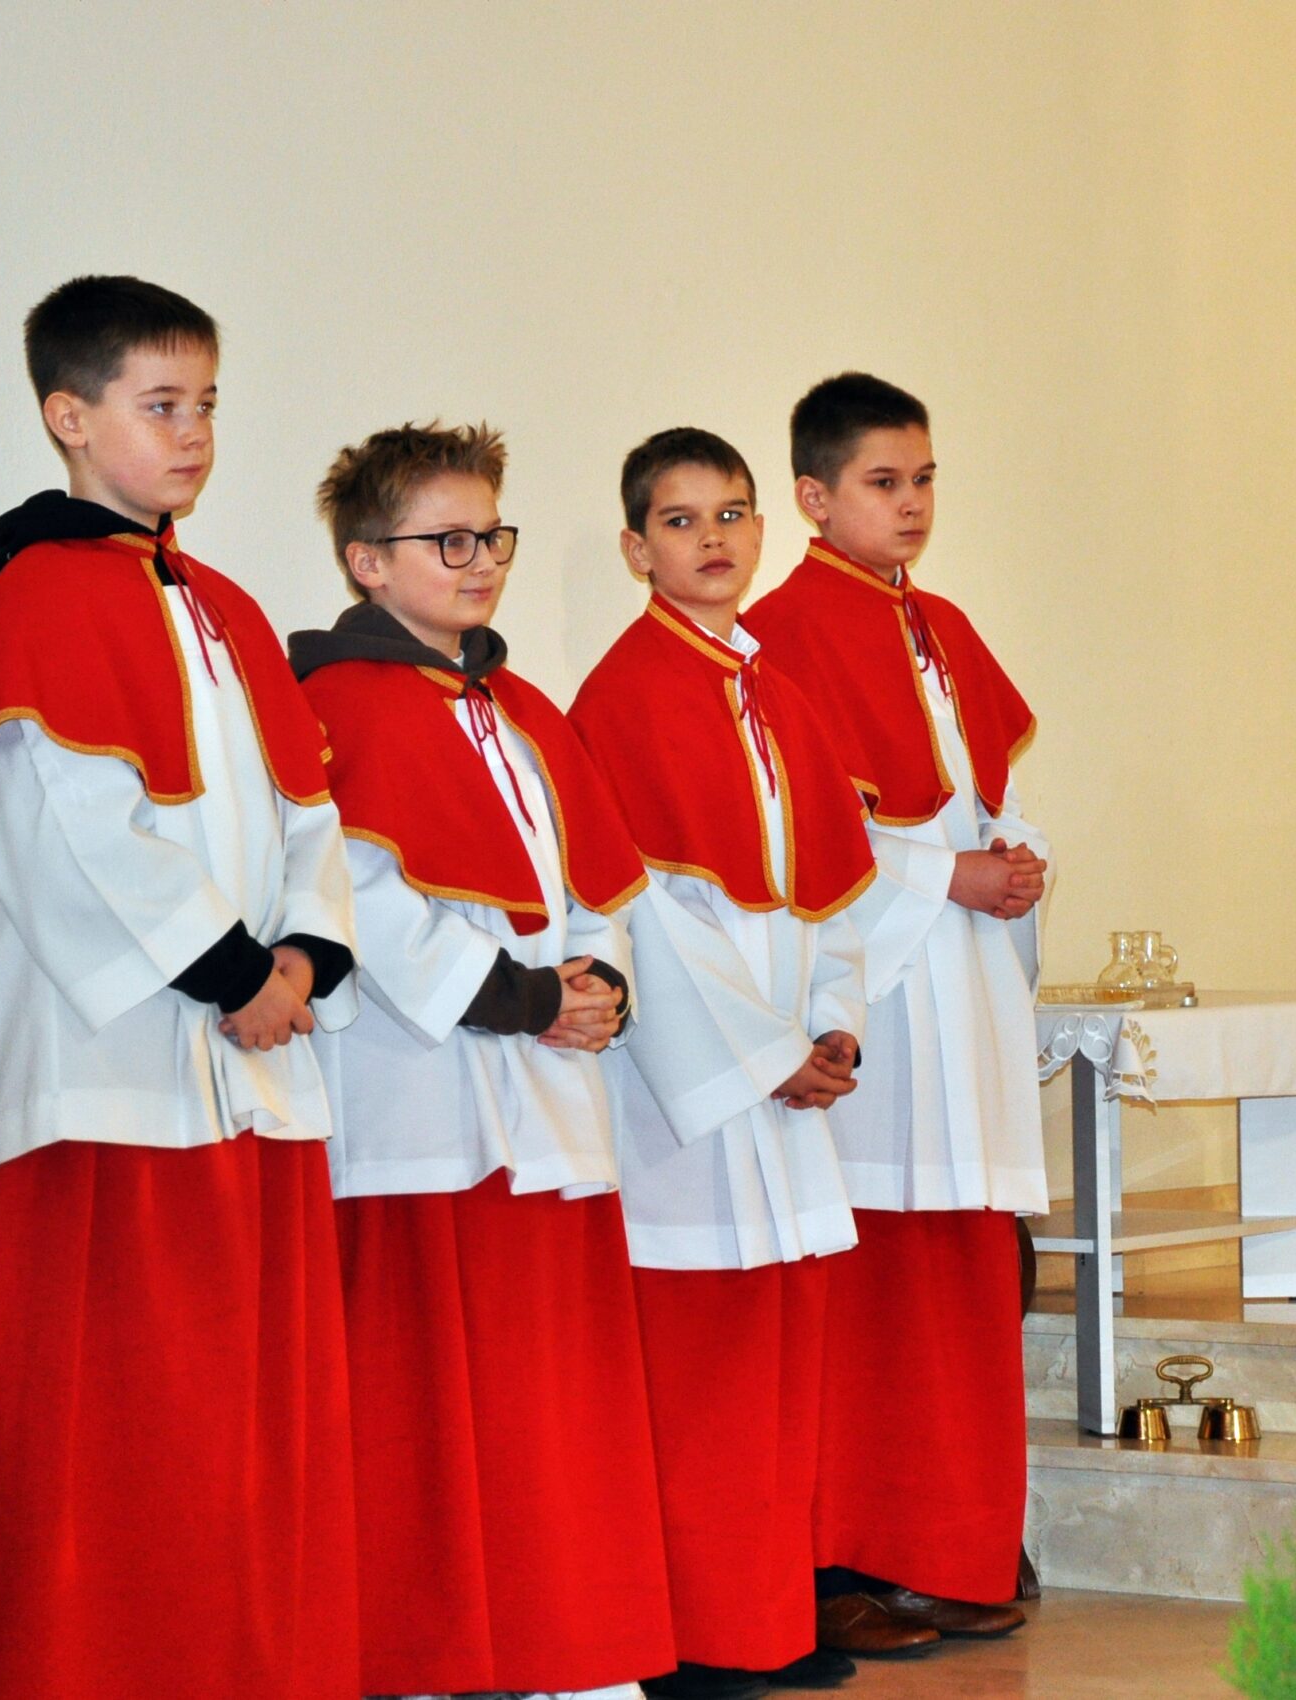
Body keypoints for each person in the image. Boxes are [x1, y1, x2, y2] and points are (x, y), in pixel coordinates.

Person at [0, 275, 360, 1700]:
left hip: (246, 1066)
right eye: (162, 405)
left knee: (240, 1427)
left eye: (207, 403)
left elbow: (308, 814)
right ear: (69, 417)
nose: (195, 433)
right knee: (112, 1426)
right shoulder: (35, 603)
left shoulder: (224, 608)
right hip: (105, 1081)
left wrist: (303, 958)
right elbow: (70, 838)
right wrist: (237, 975)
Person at [290, 420, 674, 1700]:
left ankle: (568, 1650)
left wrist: (597, 982)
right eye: (445, 540)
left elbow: (594, 884)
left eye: (491, 535)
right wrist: (521, 997)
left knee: (549, 1397)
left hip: (545, 1092)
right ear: (366, 561)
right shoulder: (331, 708)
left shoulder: (523, 711)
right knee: (424, 1404)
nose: (480, 561)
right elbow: (356, 898)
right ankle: (430, 1660)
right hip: (419, 1098)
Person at [570, 429, 935, 1700]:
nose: (712, 539)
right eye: (680, 521)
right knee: (699, 1366)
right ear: (637, 548)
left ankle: (766, 1615)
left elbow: (833, 889)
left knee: (781, 1356)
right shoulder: (622, 696)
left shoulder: (775, 691)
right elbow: (641, 916)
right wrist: (770, 1052)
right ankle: (688, 1634)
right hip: (692, 1091)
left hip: (782, 1075)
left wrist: (834, 1023)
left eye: (731, 514)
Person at [741, 371, 1046, 1649]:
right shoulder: (779, 636)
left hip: (959, 995)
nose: (911, 503)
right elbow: (801, 836)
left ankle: (956, 1540)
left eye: (923, 479)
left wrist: (1011, 857)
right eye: (883, 481)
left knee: (961, 1265)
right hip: (877, 996)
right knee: (871, 1282)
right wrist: (945, 876)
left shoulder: (939, 624)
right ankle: (852, 1552)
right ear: (814, 496)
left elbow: (973, 797)